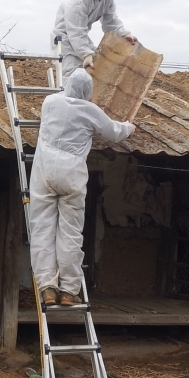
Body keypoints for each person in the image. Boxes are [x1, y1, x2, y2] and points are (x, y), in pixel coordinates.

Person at [29, 68, 135, 306]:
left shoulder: (50, 102)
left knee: (42, 229)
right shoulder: (90, 110)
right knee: (70, 232)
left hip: (44, 170)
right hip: (72, 173)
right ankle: (68, 290)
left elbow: (62, 98)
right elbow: (114, 132)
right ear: (88, 92)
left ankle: (47, 287)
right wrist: (129, 127)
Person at [50, 0, 137, 79]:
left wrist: (124, 34)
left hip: (81, 40)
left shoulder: (107, 0)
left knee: (97, 66)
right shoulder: (78, 3)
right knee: (72, 76)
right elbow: (76, 32)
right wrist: (86, 54)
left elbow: (111, 22)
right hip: (64, 41)